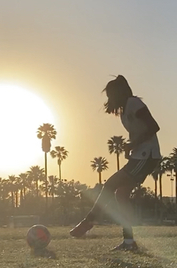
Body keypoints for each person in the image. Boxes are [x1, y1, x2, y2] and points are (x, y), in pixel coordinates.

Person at [69, 75, 161, 251]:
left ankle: (89, 221)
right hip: (139, 156)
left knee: (110, 184)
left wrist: (133, 144)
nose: (109, 100)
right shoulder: (125, 110)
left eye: (111, 95)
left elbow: (154, 126)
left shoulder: (134, 103)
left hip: (147, 156)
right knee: (121, 195)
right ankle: (129, 242)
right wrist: (131, 147)